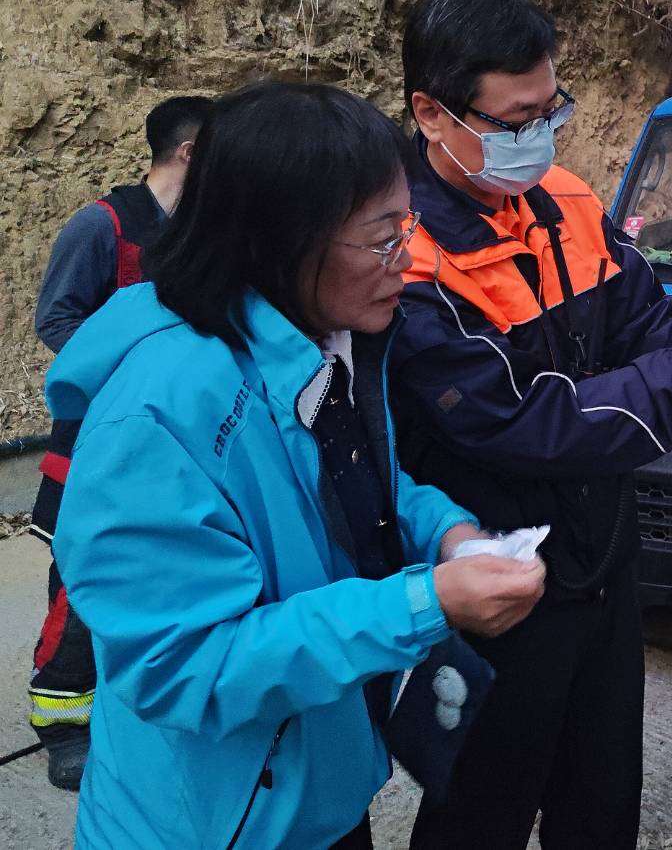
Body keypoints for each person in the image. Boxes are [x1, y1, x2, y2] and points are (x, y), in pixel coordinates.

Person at [48, 81, 545, 848]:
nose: (408, 260)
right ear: (282, 242)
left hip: (317, 793)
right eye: (382, 237)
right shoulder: (154, 420)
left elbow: (354, 484)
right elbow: (186, 666)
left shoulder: (315, 342)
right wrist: (421, 605)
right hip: (215, 825)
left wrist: (446, 533)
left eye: (406, 225)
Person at [389, 0, 672, 850]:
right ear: (431, 113)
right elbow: (519, 424)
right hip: (498, 579)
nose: (539, 138)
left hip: (604, 556)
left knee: (601, 792)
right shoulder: (405, 255)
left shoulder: (568, 204)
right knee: (481, 805)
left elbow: (650, 327)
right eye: (516, 121)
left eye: (551, 111)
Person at [28, 94, 213, 790]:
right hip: (97, 442)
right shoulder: (102, 225)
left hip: (176, 442)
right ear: (189, 153)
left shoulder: (204, 230)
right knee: (82, 583)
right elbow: (57, 319)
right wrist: (134, 370)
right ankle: (61, 723)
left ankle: (129, 710)